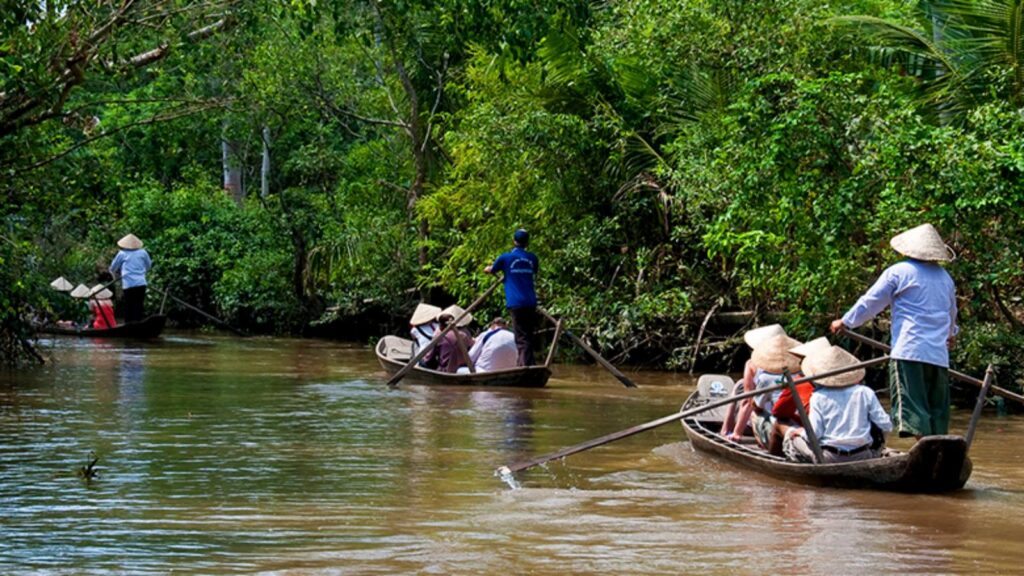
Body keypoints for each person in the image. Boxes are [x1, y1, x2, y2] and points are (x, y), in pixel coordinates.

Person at [830, 223, 958, 439]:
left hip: (909, 351)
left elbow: (871, 301)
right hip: (938, 354)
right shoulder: (945, 278)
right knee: (935, 410)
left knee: (912, 408)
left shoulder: (899, 272)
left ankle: (927, 452)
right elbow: (950, 312)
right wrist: (950, 334)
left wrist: (845, 321)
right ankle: (936, 451)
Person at [785, 345, 893, 463]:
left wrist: (799, 433)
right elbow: (886, 425)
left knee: (791, 438)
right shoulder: (865, 392)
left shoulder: (818, 397)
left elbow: (814, 434)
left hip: (829, 458)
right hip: (863, 455)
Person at [726, 332, 803, 453]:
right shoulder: (802, 373)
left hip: (776, 424)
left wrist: (737, 434)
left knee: (751, 405)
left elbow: (750, 404)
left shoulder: (762, 374)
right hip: (800, 423)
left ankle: (729, 432)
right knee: (740, 388)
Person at [485, 228, 539, 366]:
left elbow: (493, 269)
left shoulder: (506, 258)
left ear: (514, 241)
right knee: (528, 336)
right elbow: (532, 271)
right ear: (527, 243)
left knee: (521, 338)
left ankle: (525, 367)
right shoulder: (532, 258)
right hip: (531, 302)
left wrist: (488, 269)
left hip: (517, 303)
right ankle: (527, 364)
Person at [109, 233, 152, 323]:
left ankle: (129, 324)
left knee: (129, 306)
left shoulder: (122, 254)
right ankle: (138, 324)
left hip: (128, 284)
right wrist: (141, 272)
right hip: (141, 282)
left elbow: (113, 268)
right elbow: (148, 265)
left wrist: (117, 274)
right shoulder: (143, 252)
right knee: (138, 306)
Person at [409, 303, 442, 367]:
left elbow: (414, 338)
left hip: (423, 358)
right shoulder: (438, 326)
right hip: (436, 357)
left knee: (414, 344)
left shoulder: (414, 330)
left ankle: (413, 363)